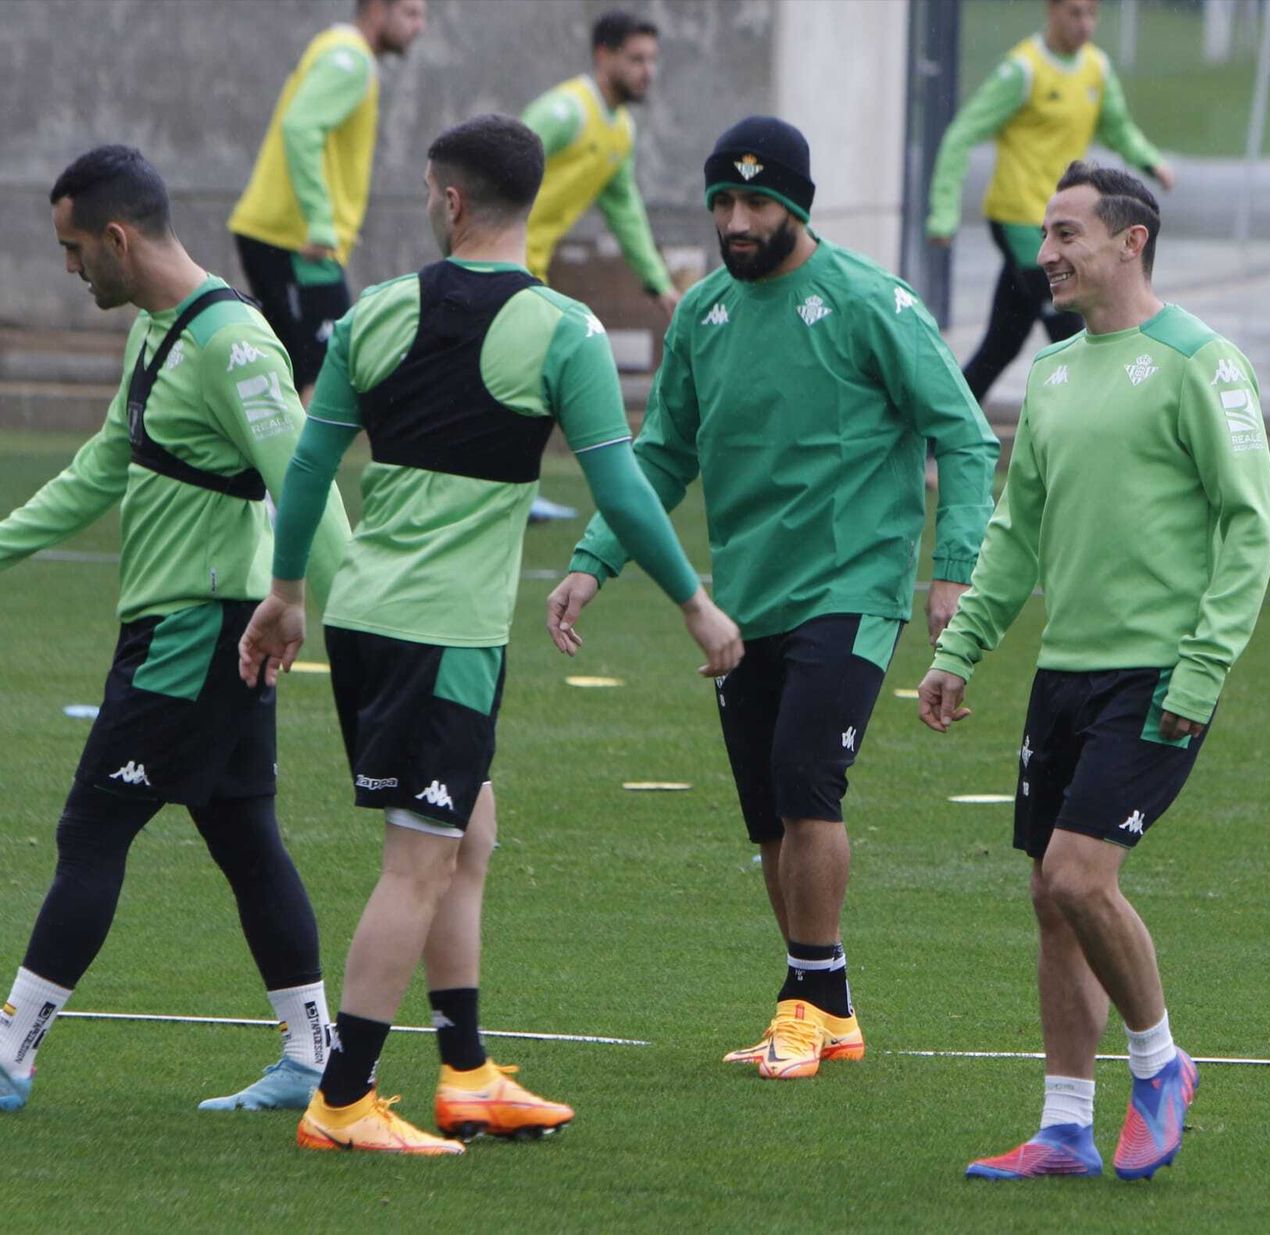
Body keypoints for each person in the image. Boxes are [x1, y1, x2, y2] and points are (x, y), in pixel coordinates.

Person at [239, 113, 743, 1155]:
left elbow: (307, 466)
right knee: (418, 862)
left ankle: (465, 1070)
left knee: (468, 832)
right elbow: (623, 488)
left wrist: (286, 592)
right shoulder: (564, 332)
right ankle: (343, 1097)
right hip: (445, 633)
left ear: (452, 198)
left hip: (368, 614)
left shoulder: (374, 310)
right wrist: (694, 602)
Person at [547, 116, 1000, 1081]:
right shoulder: (702, 315)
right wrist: (594, 558)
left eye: (756, 202)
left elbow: (963, 434)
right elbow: (659, 454)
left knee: (805, 779)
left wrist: (953, 568)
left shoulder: (871, 302)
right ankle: (827, 1006)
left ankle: (804, 1000)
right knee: (767, 816)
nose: (736, 221)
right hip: (745, 601)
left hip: (854, 584)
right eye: (723, 202)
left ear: (796, 205)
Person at [918, 163, 1270, 1180]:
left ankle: (1160, 1065)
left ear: (1131, 240)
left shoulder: (1201, 362)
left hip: (1158, 672)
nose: (1045, 254)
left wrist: (1202, 667)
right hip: (1065, 673)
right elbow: (1016, 531)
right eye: (1043, 235)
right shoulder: (1054, 373)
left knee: (1080, 874)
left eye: (1066, 233)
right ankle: (1065, 1124)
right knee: (1051, 894)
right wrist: (961, 647)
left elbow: (1250, 526)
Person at [0, 146, 351, 1115]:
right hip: (186, 625)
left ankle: (11, 1053)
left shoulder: (232, 344)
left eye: (74, 248)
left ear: (117, 238)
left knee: (92, 825)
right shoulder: (158, 329)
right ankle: (312, 1052)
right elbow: (103, 465)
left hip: (198, 629)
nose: (69, 268)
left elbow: (306, 482)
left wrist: (366, 628)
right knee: (243, 831)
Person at [926, 0, 1175, 407]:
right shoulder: (1022, 70)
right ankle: (1100, 419)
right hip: (1019, 219)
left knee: (1003, 342)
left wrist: (1151, 161)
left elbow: (1117, 127)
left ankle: (940, 427)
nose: (1085, 24)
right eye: (1075, 13)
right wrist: (943, 213)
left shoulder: (1097, 68)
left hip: (1068, 220)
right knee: (1071, 328)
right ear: (1052, 11)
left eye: (1092, 14)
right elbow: (962, 134)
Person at [519, 8, 680, 523]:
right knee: (536, 374)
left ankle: (515, 489)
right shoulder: (567, 111)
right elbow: (499, 158)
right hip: (499, 268)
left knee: (530, 379)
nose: (647, 71)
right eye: (636, 59)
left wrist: (657, 281)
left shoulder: (621, 130)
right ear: (603, 55)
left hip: (528, 270)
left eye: (652, 60)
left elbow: (624, 209)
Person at [229, 0, 428, 403]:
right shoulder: (350, 61)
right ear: (377, 10)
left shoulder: (336, 47)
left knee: (296, 378)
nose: (420, 26)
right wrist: (321, 221)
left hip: (283, 236)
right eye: (410, 13)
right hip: (298, 243)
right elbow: (300, 127)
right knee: (324, 382)